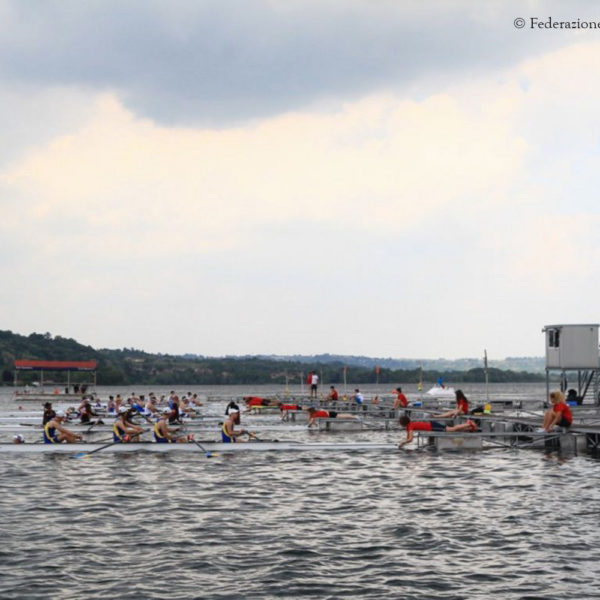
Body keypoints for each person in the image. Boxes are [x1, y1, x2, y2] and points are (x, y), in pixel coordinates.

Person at [397, 415, 478, 448]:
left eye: (400, 423)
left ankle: (468, 424)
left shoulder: (410, 426)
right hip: (431, 425)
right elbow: (408, 437)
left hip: (432, 426)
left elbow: (410, 439)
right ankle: (469, 428)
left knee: (451, 429)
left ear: (403, 423)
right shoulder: (409, 426)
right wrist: (402, 443)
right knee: (452, 429)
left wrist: (403, 443)